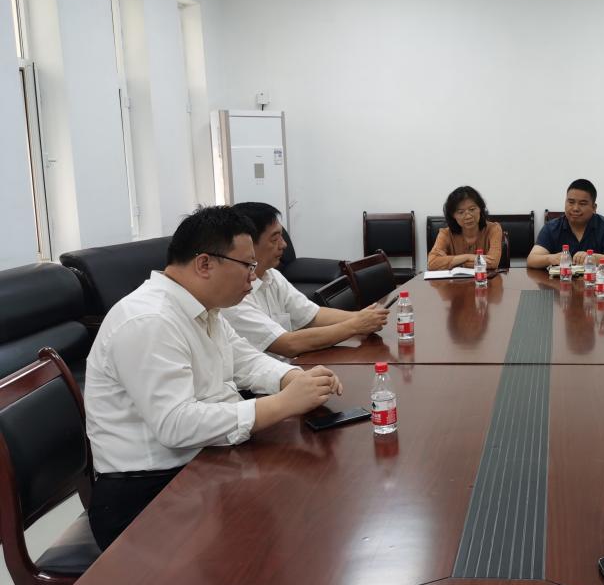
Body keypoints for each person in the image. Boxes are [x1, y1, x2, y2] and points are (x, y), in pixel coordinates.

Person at [85, 206, 342, 550]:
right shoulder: (149, 321)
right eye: (247, 266)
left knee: (308, 502)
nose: (253, 278)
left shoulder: (205, 309)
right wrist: (281, 404)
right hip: (148, 494)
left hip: (203, 464)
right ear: (205, 264)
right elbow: (176, 424)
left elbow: (244, 359)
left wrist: (291, 377)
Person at [222, 202, 387, 358]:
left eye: (282, 236)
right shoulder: (234, 298)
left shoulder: (272, 276)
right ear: (249, 244)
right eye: (274, 239)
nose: (284, 245)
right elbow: (288, 344)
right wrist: (354, 325)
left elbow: (312, 315)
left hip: (291, 367)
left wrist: (361, 317)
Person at [527, 179, 604, 269]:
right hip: (560, 281)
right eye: (571, 202)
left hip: (594, 280)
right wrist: (551, 258)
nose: (575, 208)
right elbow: (531, 259)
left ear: (594, 207)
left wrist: (593, 258)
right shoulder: (551, 227)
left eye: (582, 203)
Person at [427, 186, 504, 270]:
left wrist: (456, 263)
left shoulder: (493, 229)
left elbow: (492, 262)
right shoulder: (445, 233)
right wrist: (468, 257)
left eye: (472, 209)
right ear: (453, 215)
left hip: (485, 278)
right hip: (455, 279)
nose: (468, 216)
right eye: (461, 212)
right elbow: (432, 263)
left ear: (480, 209)